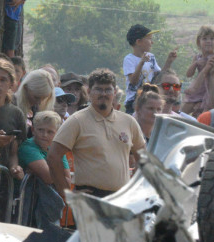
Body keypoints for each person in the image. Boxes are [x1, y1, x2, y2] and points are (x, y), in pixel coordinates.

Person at [47, 68, 146, 198]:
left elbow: (143, 158)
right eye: (98, 89)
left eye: (108, 90)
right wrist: (67, 194)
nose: (103, 94)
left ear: (114, 92)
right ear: (89, 92)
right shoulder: (77, 121)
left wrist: (135, 189)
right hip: (90, 198)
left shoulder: (129, 122)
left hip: (121, 199)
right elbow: (53, 156)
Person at [19, 110, 71, 228]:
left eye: (50, 132)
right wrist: (57, 174)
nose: (44, 135)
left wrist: (51, 173)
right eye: (40, 130)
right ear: (33, 130)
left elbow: (66, 186)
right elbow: (48, 178)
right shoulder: (28, 147)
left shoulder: (58, 150)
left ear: (57, 134)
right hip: (26, 207)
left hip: (47, 208)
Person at [123, 24, 177, 113]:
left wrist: (169, 61)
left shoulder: (151, 57)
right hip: (134, 102)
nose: (152, 42)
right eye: (149, 39)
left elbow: (159, 76)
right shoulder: (129, 59)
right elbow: (133, 81)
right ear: (139, 42)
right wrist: (141, 63)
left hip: (150, 99)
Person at [180, 25, 214, 115]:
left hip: (212, 88)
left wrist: (193, 88)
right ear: (199, 41)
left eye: (212, 39)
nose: (208, 41)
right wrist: (195, 64)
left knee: (205, 112)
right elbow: (189, 74)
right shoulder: (197, 57)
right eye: (205, 39)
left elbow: (206, 73)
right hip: (200, 87)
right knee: (183, 111)